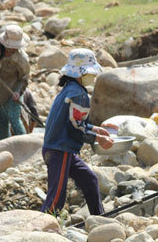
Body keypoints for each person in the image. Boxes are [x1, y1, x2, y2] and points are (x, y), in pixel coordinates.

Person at [40, 48, 113, 216]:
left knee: (89, 180)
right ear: (83, 73)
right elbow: (75, 130)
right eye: (92, 73)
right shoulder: (79, 95)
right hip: (60, 150)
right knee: (56, 197)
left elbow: (73, 122)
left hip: (61, 148)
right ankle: (42, 229)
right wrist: (97, 138)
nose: (93, 77)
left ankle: (98, 218)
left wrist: (95, 129)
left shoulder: (69, 88)